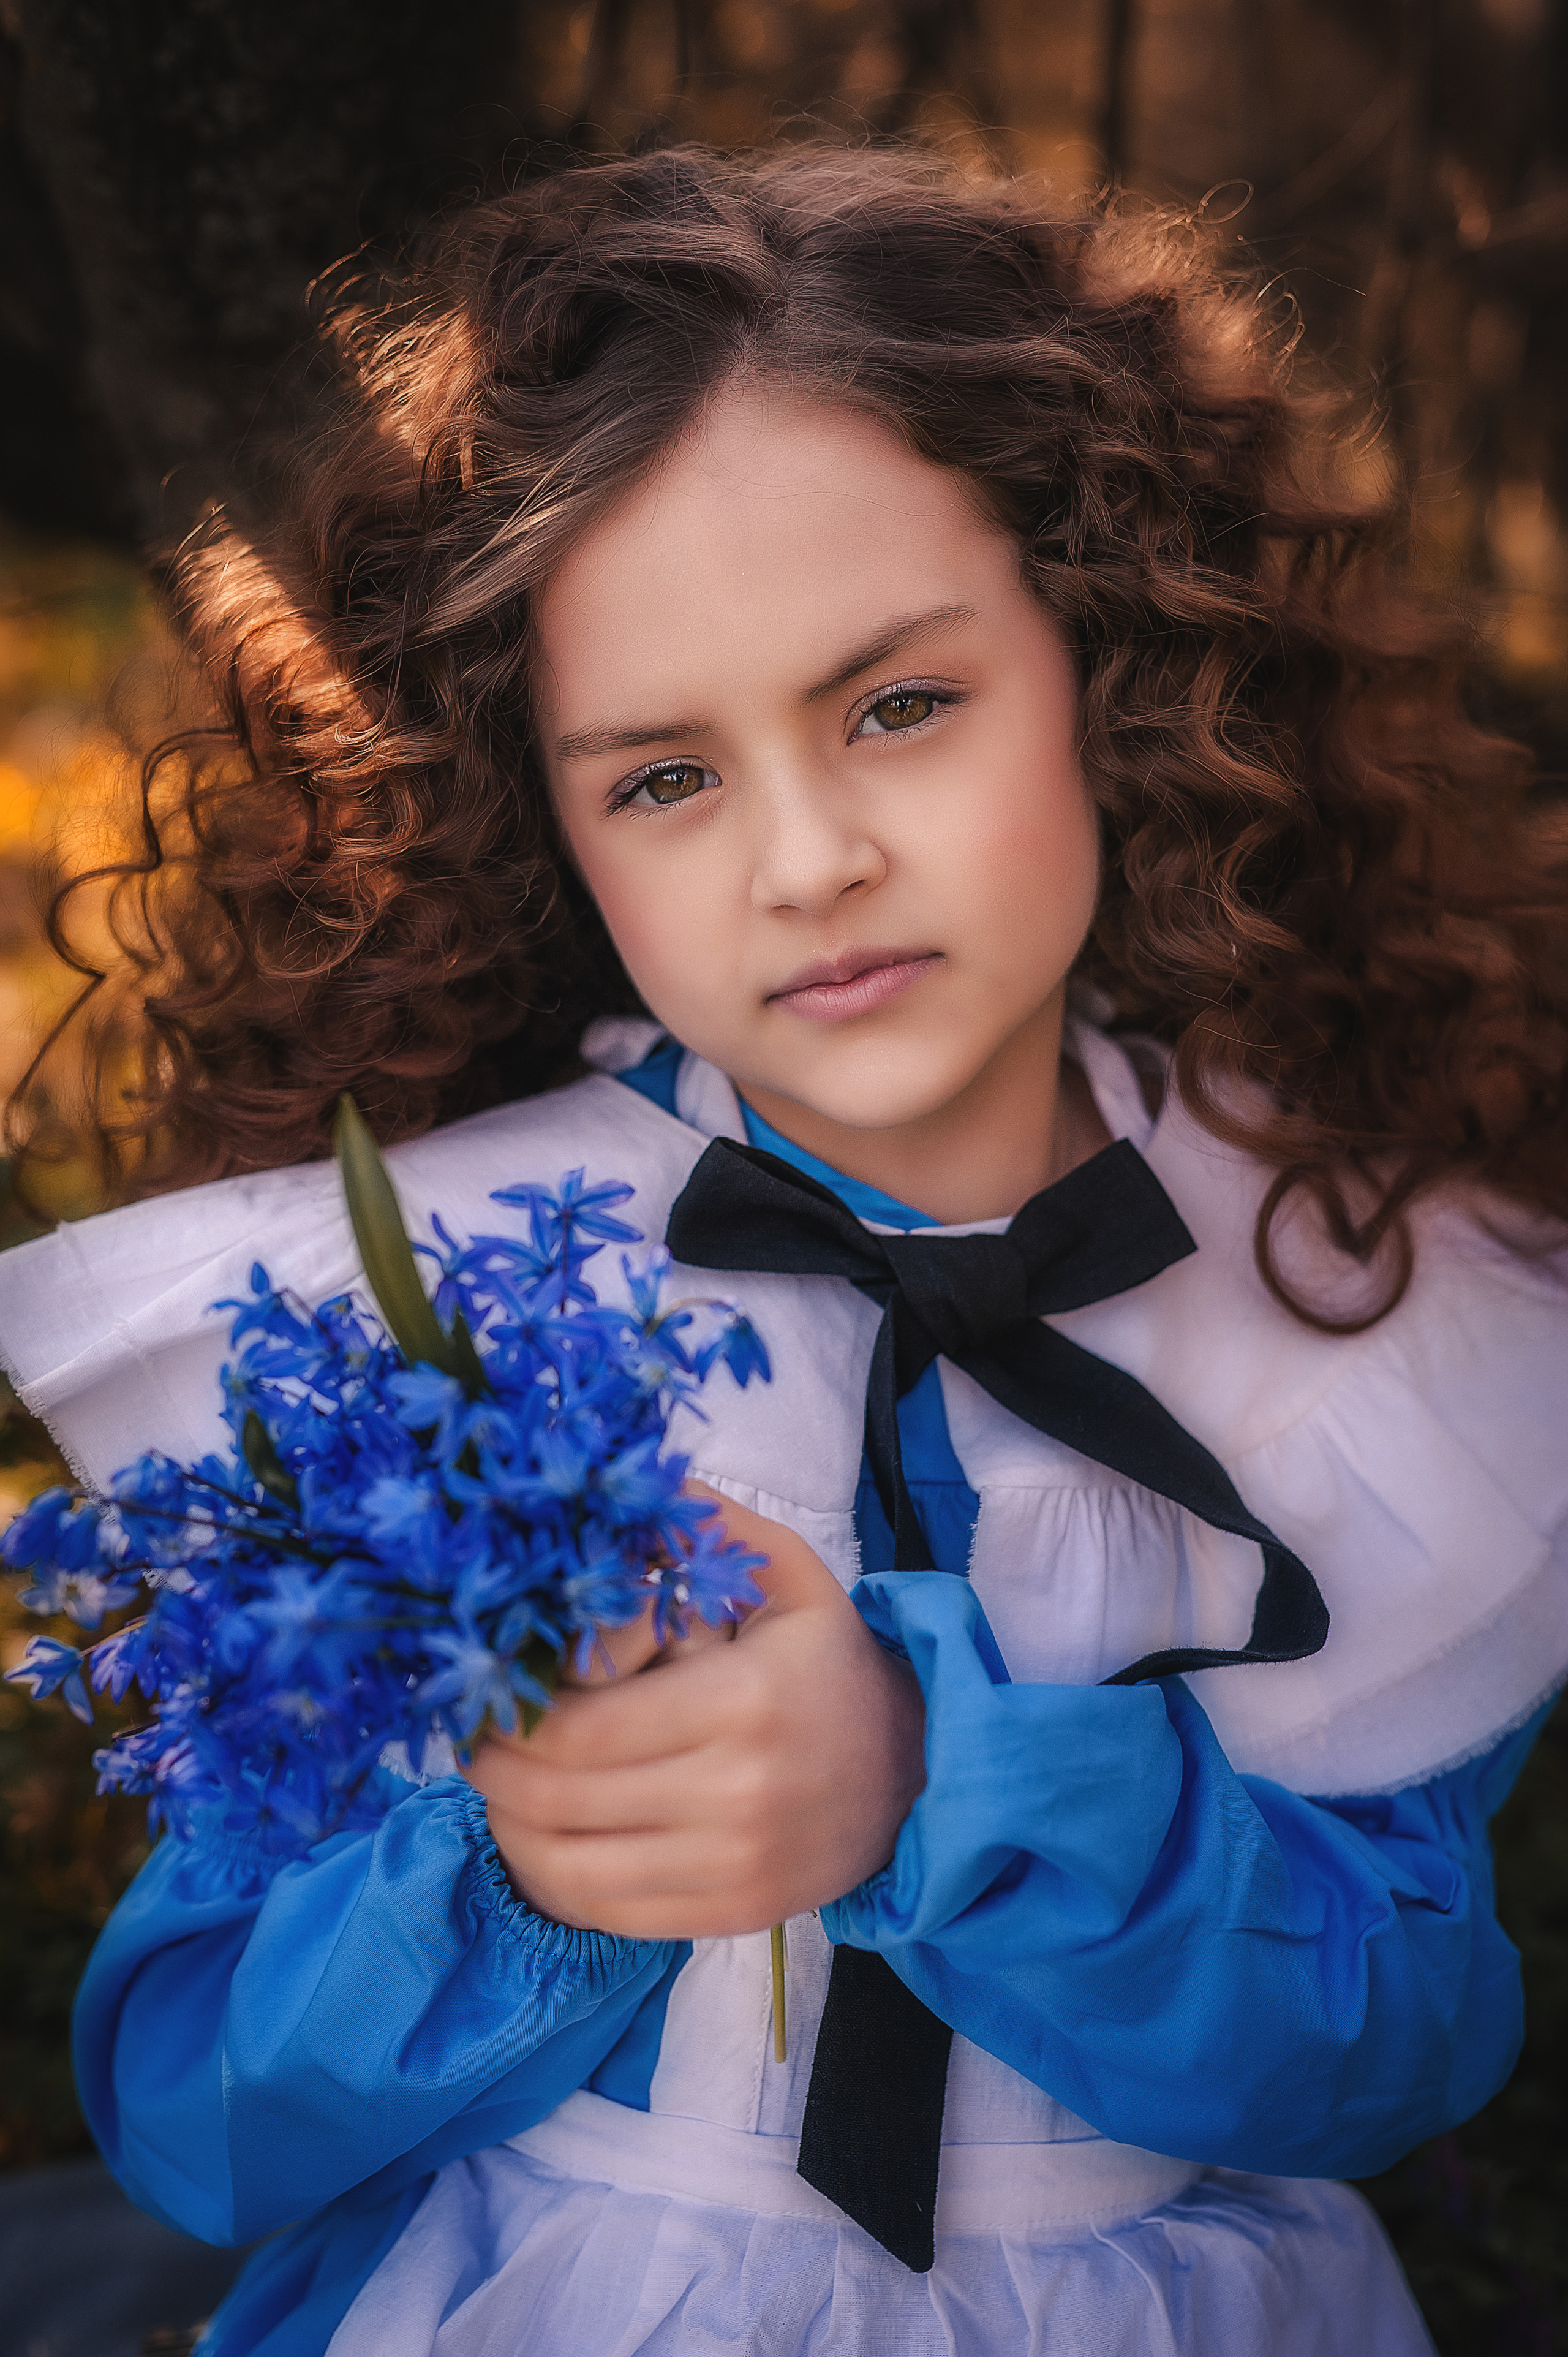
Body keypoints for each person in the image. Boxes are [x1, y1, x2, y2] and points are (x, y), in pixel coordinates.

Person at [4, 143, 1566, 2357]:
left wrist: (940, 1774)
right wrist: (527, 1882)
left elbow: (1392, 2052)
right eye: (664, 778)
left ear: (1111, 662)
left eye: (899, 705)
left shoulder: (1345, 1292)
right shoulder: (437, 1309)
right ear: (536, 811)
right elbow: (198, 2116)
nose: (812, 858)